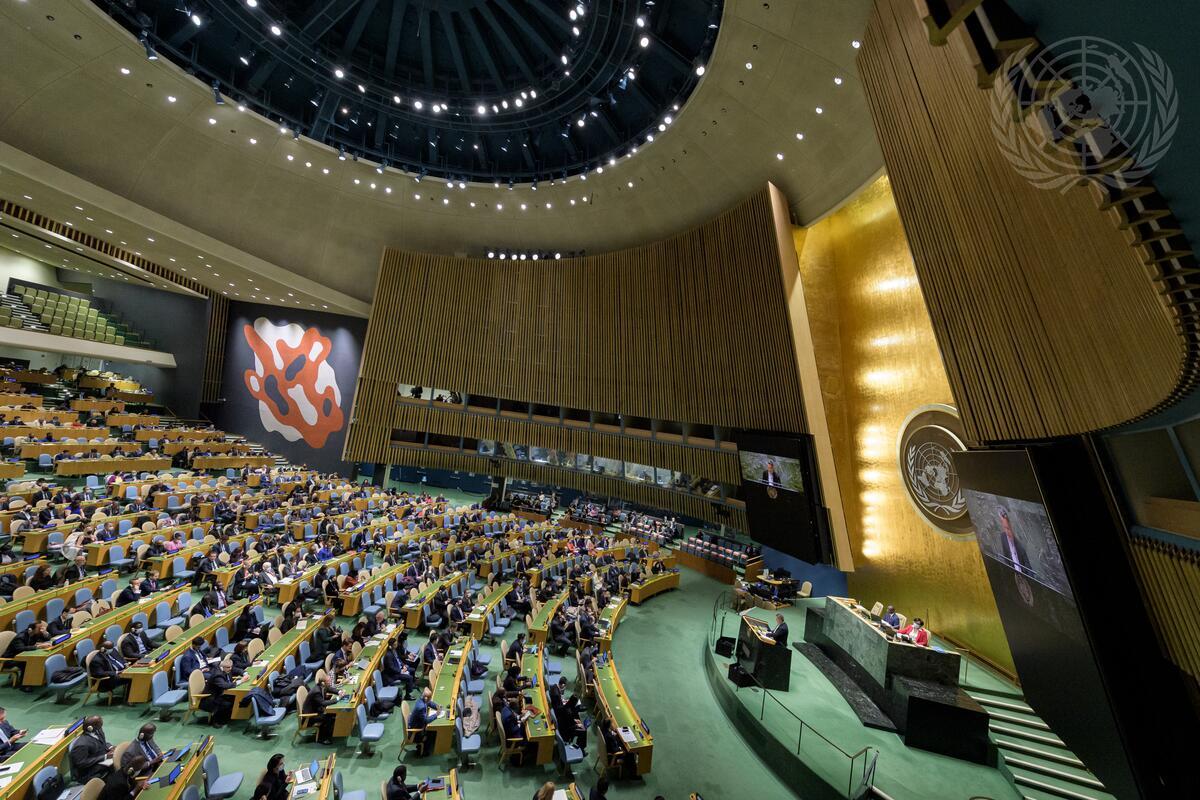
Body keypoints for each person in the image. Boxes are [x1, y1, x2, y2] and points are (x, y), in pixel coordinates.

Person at [69, 715, 114, 782]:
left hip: (100, 759)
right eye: (99, 724)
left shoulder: (98, 730)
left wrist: (110, 747)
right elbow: (81, 763)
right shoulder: (81, 744)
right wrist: (105, 756)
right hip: (89, 771)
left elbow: (102, 742)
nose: (101, 727)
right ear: (90, 728)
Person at [303, 674, 339, 745]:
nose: (330, 682)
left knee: (332, 714)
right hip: (310, 716)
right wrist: (337, 699)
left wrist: (339, 692)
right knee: (328, 717)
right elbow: (323, 703)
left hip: (317, 710)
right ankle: (321, 738)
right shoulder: (316, 691)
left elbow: (329, 689)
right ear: (323, 683)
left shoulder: (321, 686)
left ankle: (329, 732)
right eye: (329, 681)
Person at [201, 659, 237, 726]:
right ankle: (216, 721)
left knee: (233, 698)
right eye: (228, 667)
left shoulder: (226, 670)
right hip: (209, 699)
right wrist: (237, 682)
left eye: (231, 667)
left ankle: (226, 718)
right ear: (223, 667)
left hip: (218, 694)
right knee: (226, 703)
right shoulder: (218, 675)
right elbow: (224, 685)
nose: (230, 669)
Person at [407, 687, 440, 756]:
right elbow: (426, 720)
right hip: (415, 732)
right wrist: (436, 715)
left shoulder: (422, 699)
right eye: (429, 698)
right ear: (426, 698)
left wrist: (437, 706)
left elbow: (429, 703)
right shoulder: (421, 707)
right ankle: (423, 752)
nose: (430, 700)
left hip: (415, 724)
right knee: (431, 732)